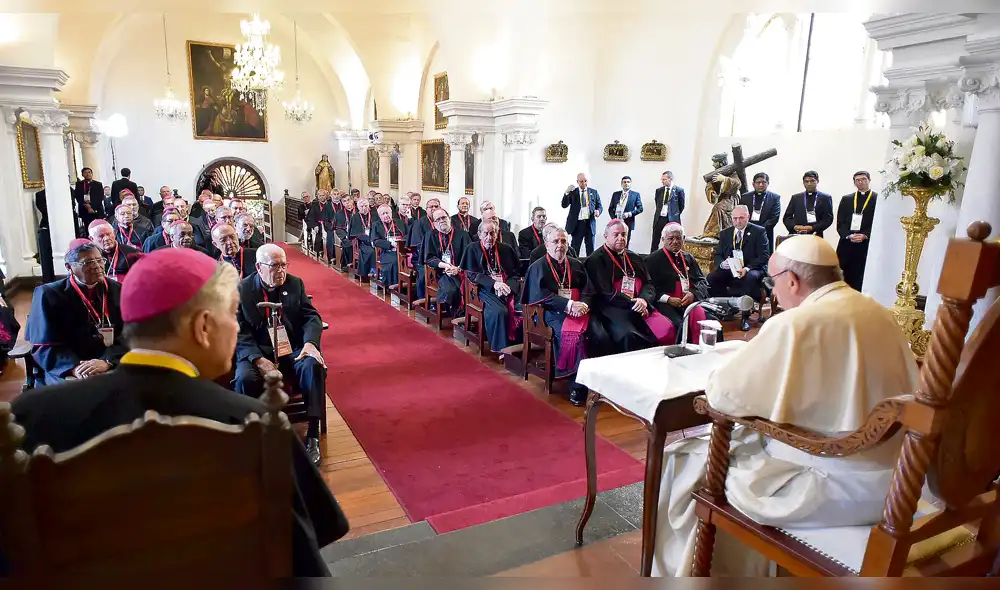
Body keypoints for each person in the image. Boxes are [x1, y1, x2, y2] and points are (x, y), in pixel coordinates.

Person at [10, 247, 349, 576]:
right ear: (203, 327)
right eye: (231, 316)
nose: (236, 328)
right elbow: (307, 545)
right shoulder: (253, 422)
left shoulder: (28, 417)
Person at [652, 234, 919, 577]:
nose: (773, 291)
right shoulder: (879, 311)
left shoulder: (793, 323)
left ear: (792, 280)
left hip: (825, 485)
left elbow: (722, 396)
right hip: (893, 478)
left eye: (773, 282)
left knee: (682, 458)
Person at [235, 244, 326, 466]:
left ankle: (312, 434)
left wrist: (311, 344)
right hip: (258, 351)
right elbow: (239, 331)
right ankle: (253, 434)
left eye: (284, 265)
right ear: (259, 267)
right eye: (275, 266)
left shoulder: (295, 284)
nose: (281, 271)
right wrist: (258, 359)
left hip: (292, 348)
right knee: (244, 379)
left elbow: (311, 317)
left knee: (312, 366)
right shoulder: (242, 290)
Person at [25, 239, 127, 384]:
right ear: (69, 267)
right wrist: (74, 367)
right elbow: (44, 345)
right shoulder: (48, 294)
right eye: (88, 262)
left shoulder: (118, 289)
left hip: (110, 360)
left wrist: (107, 361)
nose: (97, 266)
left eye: (99, 260)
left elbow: (129, 333)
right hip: (67, 366)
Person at [521, 228, 599, 406]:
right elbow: (538, 296)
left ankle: (594, 381)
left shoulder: (576, 264)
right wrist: (569, 305)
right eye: (556, 241)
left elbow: (588, 290)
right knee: (575, 337)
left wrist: (584, 305)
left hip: (578, 311)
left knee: (598, 331)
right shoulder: (538, 266)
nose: (560, 245)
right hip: (548, 313)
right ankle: (576, 387)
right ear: (546, 244)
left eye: (563, 241)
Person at [584, 219, 676, 353]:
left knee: (666, 328)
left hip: (641, 306)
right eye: (616, 234)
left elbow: (649, 285)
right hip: (613, 309)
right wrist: (635, 305)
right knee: (630, 337)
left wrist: (643, 300)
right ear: (606, 236)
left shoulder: (635, 257)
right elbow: (606, 293)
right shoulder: (595, 260)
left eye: (624, 234)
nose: (621, 238)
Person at [460, 220, 522, 353]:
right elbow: (472, 275)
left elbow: (515, 273)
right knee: (499, 312)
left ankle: (518, 346)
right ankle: (501, 348)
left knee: (522, 309)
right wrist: (494, 284)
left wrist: (509, 287)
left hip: (506, 288)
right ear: (479, 234)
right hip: (483, 289)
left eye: (492, 233)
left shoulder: (506, 249)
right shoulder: (472, 249)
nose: (489, 237)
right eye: (486, 233)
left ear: (497, 233)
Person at [707, 205, 769, 331]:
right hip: (731, 268)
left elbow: (764, 256)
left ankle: (745, 317)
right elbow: (718, 254)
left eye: (741, 218)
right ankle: (725, 308)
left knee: (749, 278)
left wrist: (747, 268)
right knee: (712, 277)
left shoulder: (759, 231)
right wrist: (722, 263)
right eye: (735, 218)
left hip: (752, 268)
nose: (737, 221)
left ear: (748, 217)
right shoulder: (726, 233)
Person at [646, 223, 710, 344]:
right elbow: (648, 287)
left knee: (710, 323)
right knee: (678, 326)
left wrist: (693, 294)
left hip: (690, 301)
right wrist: (668, 299)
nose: (675, 241)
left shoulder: (688, 258)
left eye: (678, 238)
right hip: (665, 304)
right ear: (663, 240)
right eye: (671, 238)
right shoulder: (652, 260)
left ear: (684, 239)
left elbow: (702, 281)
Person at [421, 208, 471, 315]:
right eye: (438, 219)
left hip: (462, 272)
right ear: (434, 223)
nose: (441, 221)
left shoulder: (463, 235)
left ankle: (464, 315)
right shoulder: (430, 235)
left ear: (449, 218)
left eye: (444, 217)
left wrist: (458, 269)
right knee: (451, 290)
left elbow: (469, 257)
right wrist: (445, 266)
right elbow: (429, 258)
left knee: (472, 289)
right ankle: (457, 314)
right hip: (441, 272)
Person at [836, 171, 878, 291]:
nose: (860, 182)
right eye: (857, 180)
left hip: (865, 245)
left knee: (862, 277)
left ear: (869, 180)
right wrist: (849, 236)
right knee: (844, 277)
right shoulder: (847, 199)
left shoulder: (877, 199)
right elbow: (840, 223)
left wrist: (865, 235)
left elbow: (878, 223)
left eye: (863, 179)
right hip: (847, 244)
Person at [561, 173, 603, 256]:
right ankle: (574, 267)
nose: (584, 183)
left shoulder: (593, 192)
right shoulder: (573, 192)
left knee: (590, 249)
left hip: (589, 224)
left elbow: (600, 206)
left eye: (585, 181)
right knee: (575, 249)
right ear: (577, 182)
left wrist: (598, 211)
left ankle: (590, 267)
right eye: (581, 181)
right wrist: (566, 193)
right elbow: (564, 205)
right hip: (577, 225)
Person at [783, 170, 834, 238]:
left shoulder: (825, 198)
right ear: (803, 183)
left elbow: (828, 219)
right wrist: (794, 227)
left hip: (816, 234)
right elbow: (787, 217)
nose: (809, 184)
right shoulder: (796, 198)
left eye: (812, 181)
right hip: (797, 234)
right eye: (806, 181)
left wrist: (812, 227)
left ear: (817, 181)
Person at [739, 172, 781, 249]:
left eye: (763, 182)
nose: (761, 185)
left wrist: (759, 230)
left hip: (765, 233)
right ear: (753, 184)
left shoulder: (775, 198)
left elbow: (774, 218)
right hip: (747, 232)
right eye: (758, 182)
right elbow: (740, 214)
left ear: (768, 183)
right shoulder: (745, 197)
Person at [650, 171, 685, 251]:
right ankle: (652, 258)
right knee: (655, 240)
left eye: (664, 179)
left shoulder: (679, 190)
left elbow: (681, 206)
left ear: (670, 179)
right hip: (659, 218)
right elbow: (657, 204)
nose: (662, 181)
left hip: (671, 219)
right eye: (662, 179)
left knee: (672, 240)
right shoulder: (659, 191)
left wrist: (673, 214)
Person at [371, 203, 404, 286]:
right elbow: (375, 241)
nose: (386, 215)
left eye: (387, 213)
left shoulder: (399, 222)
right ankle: (395, 285)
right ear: (379, 216)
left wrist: (401, 242)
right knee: (396, 261)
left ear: (391, 213)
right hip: (386, 251)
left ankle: (408, 285)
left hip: (402, 249)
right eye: (383, 214)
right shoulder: (376, 225)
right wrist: (390, 244)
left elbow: (408, 235)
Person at [608, 175, 643, 247]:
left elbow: (640, 209)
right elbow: (610, 209)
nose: (626, 183)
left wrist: (630, 214)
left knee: (625, 242)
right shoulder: (616, 194)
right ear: (621, 184)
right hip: (616, 222)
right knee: (615, 241)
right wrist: (614, 219)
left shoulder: (635, 195)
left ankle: (625, 257)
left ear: (630, 184)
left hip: (628, 222)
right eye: (624, 182)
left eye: (628, 182)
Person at [349, 197, 376, 278]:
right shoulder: (355, 217)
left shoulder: (374, 215)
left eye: (366, 206)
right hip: (362, 242)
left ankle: (381, 272)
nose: (364, 208)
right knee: (372, 251)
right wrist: (368, 239)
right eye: (362, 206)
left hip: (374, 239)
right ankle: (372, 270)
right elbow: (354, 233)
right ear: (358, 207)